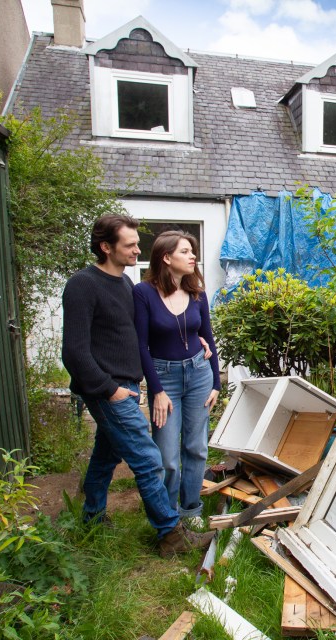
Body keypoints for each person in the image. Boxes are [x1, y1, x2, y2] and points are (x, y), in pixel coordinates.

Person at [62, 214, 214, 557]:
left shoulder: (125, 286)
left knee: (106, 455)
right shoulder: (82, 285)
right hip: (108, 389)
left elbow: (142, 335)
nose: (137, 250)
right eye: (130, 245)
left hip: (127, 384)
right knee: (149, 459)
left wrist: (194, 342)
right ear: (106, 247)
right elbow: (73, 351)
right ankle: (170, 534)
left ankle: (91, 518)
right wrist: (108, 388)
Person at [133, 231, 221, 530]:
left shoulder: (197, 292)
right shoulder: (143, 293)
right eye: (185, 251)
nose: (192, 256)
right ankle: (168, 517)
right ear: (166, 258)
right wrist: (156, 390)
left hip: (199, 373)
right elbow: (141, 346)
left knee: (196, 448)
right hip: (165, 378)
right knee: (167, 455)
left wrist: (216, 384)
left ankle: (190, 509)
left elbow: (208, 338)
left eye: (192, 251)